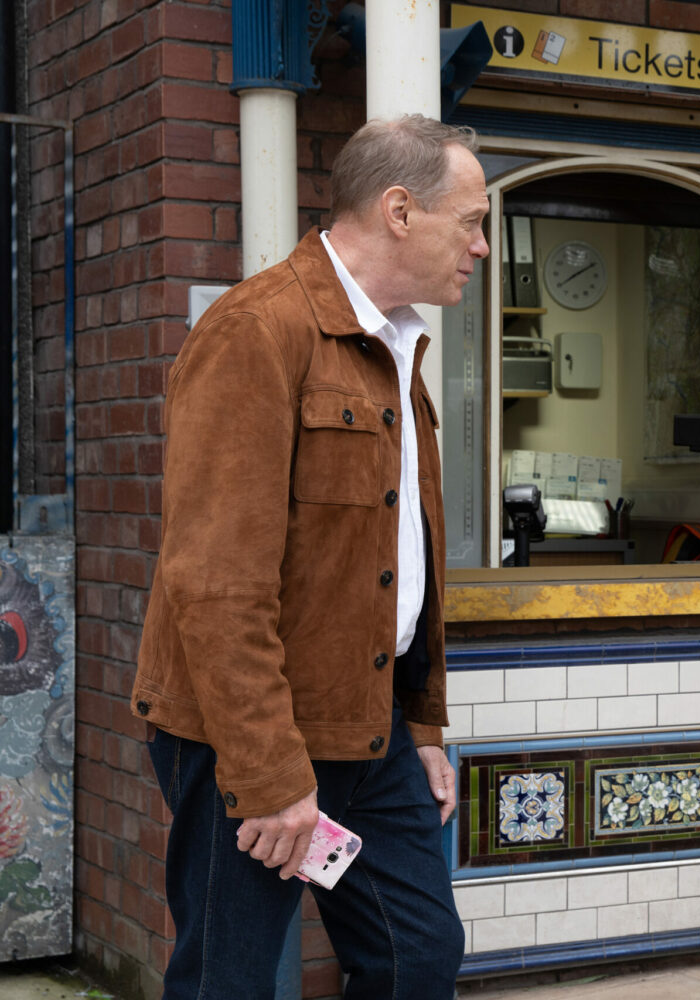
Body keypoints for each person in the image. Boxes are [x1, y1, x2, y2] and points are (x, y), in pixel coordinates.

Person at [131, 114, 490, 998]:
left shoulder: (397, 339)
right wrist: (269, 774)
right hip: (246, 739)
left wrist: (422, 727)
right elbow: (214, 585)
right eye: (472, 221)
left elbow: (394, 556)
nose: (482, 246)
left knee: (417, 958)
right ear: (400, 210)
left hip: (372, 730)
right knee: (232, 978)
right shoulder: (257, 332)